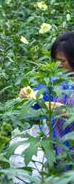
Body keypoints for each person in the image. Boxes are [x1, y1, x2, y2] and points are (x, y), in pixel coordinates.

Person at [19, 32, 74, 165]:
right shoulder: (56, 83)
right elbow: (35, 107)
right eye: (56, 61)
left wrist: (67, 112)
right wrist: (28, 96)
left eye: (62, 61)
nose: (58, 65)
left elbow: (64, 111)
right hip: (58, 151)